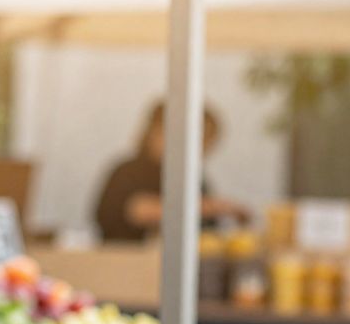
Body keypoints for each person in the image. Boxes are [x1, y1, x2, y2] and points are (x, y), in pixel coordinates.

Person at [94, 100, 249, 242]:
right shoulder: (127, 171)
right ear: (156, 131)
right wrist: (214, 207)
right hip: (128, 263)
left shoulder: (192, 177)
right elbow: (137, 210)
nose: (198, 148)